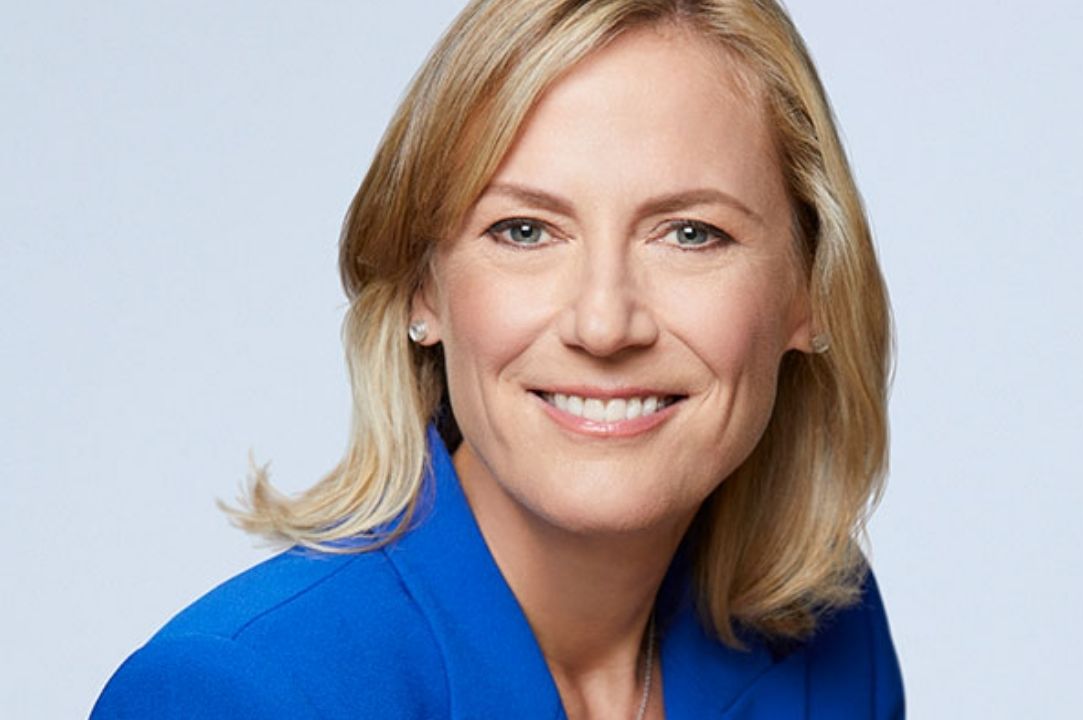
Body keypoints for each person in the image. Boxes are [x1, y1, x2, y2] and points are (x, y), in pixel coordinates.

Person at [92, 0, 902, 717]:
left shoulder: (831, 638)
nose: (603, 323)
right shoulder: (240, 695)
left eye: (691, 233)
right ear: (422, 288)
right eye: (525, 231)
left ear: (811, 290)